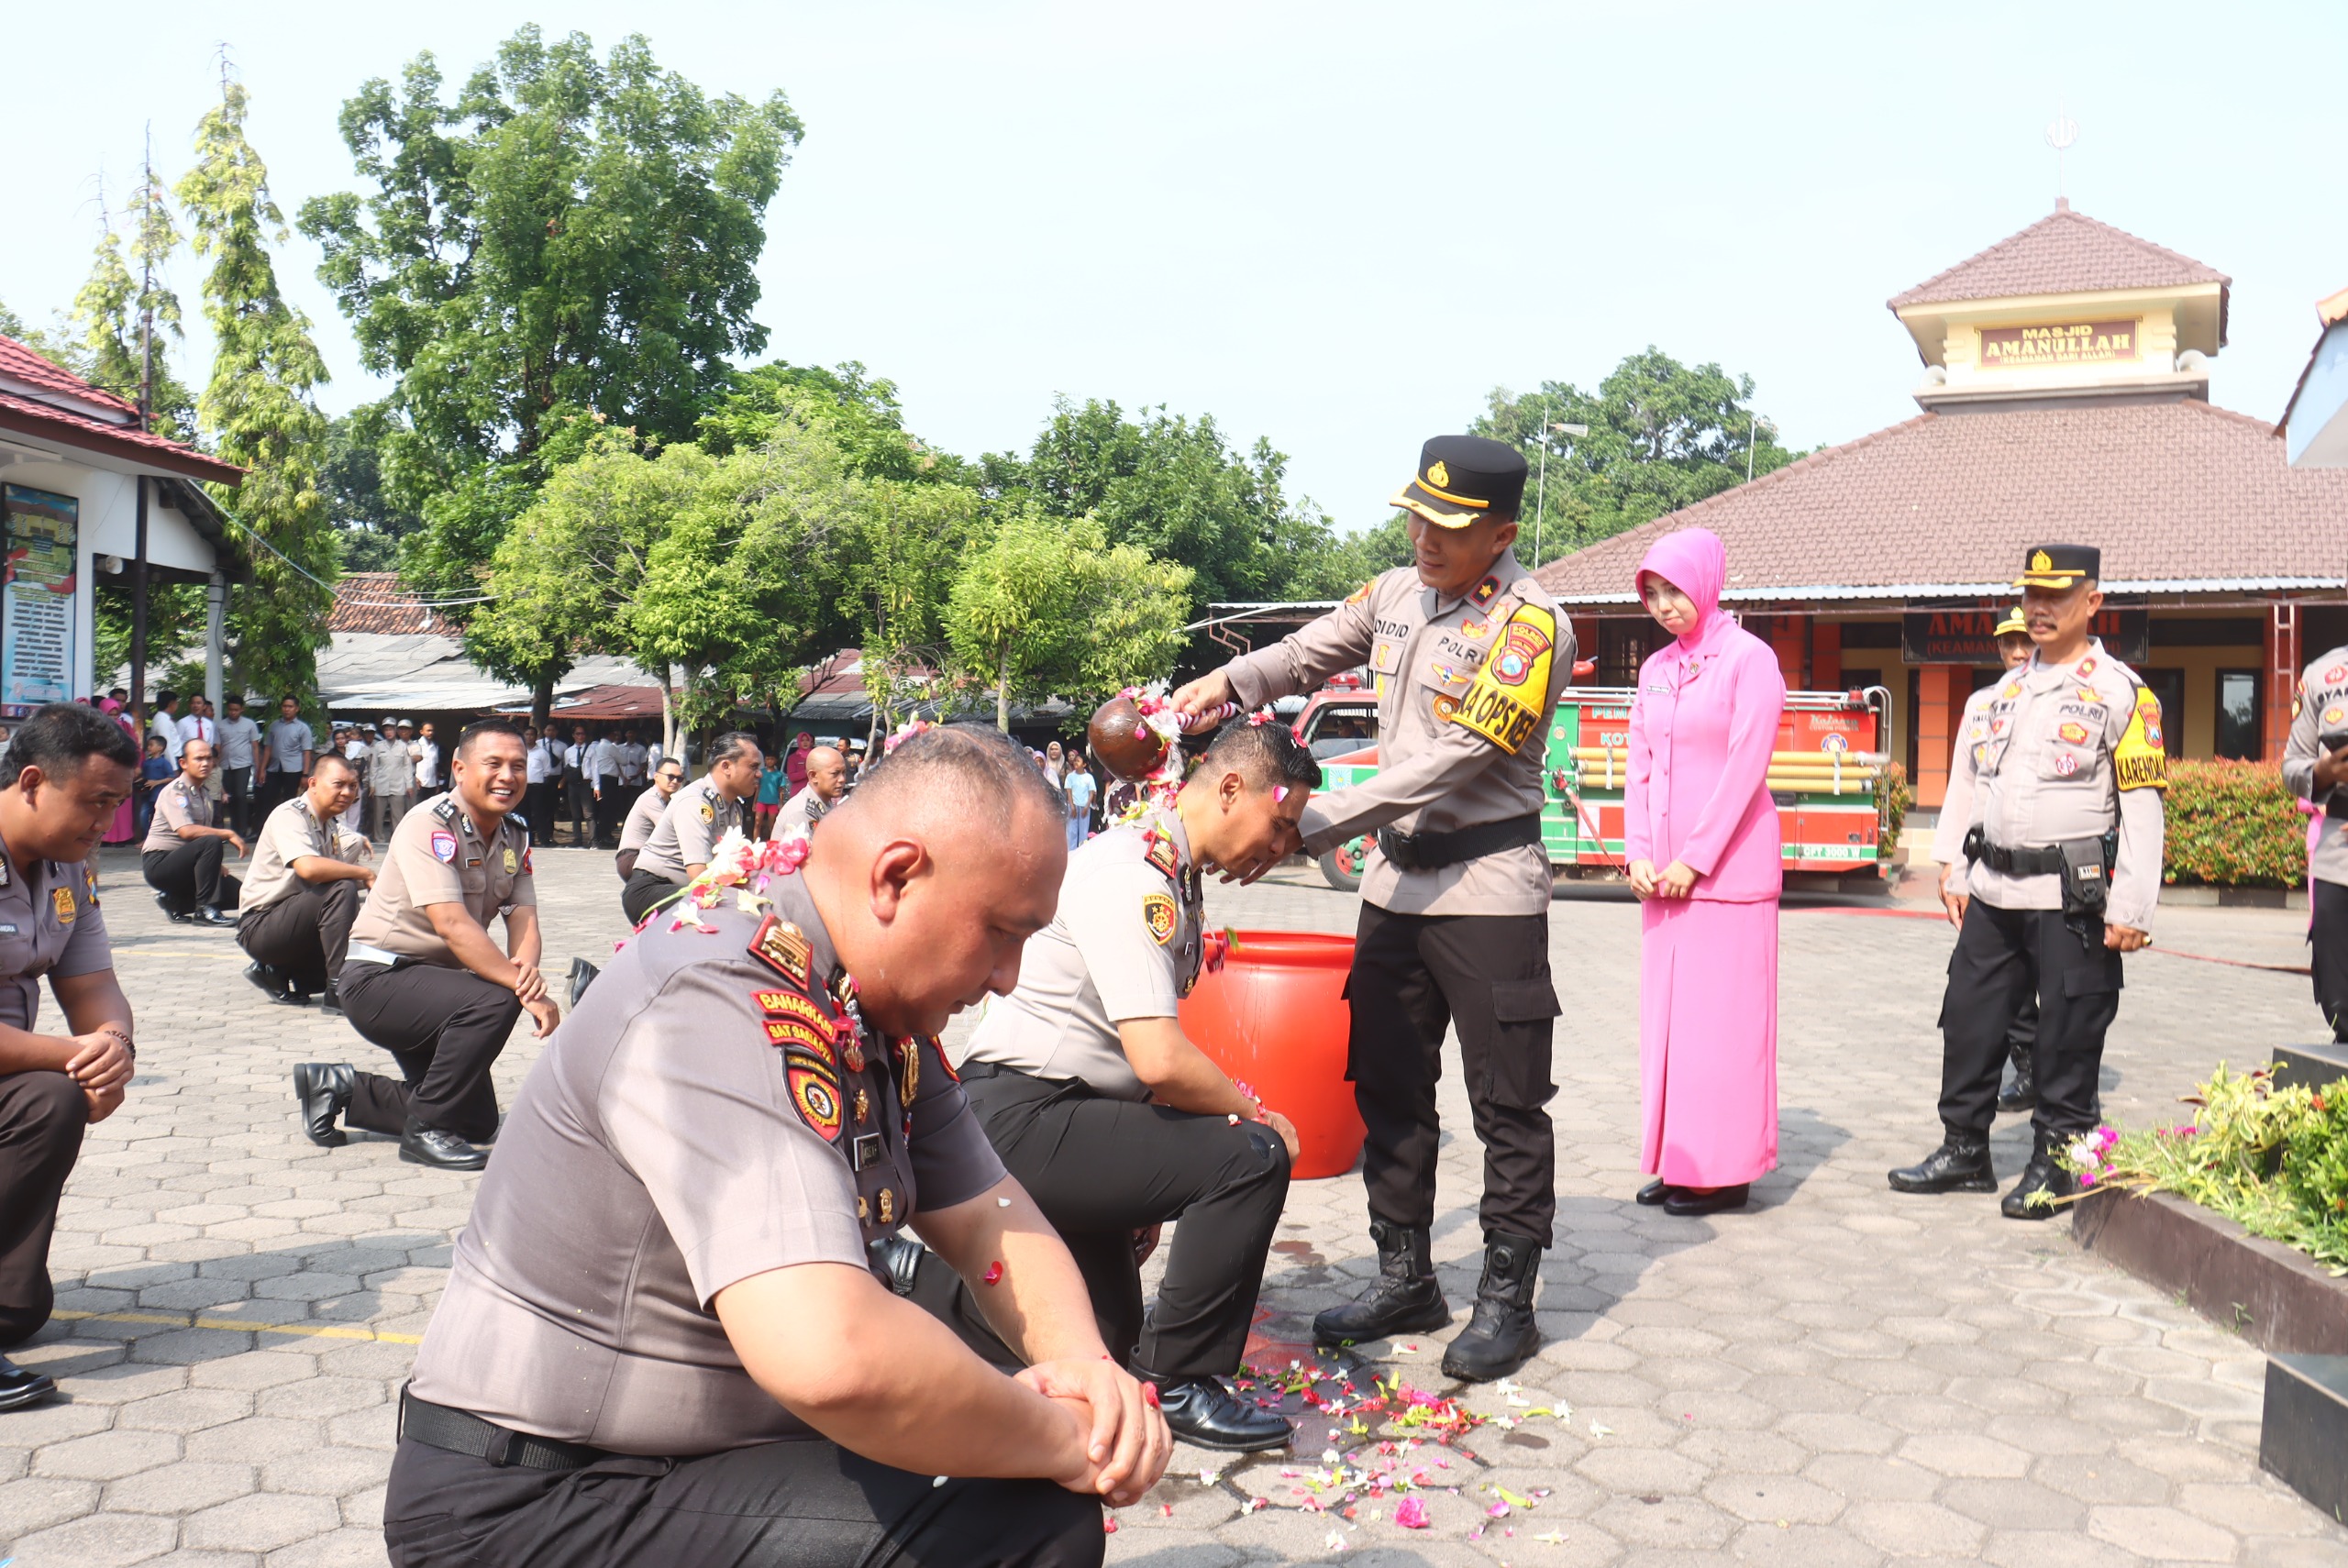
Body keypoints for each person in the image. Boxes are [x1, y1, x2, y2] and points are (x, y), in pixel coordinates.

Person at [380, 723, 1158, 1567]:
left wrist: (1084, 1372)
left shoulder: (860, 996)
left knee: (970, 1433)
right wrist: (1062, 1437)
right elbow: (833, 1357)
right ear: (895, 877)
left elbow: (988, 1218)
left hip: (681, 1461)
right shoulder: (721, 992)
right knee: (1024, 1519)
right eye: (1004, 932)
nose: (1008, 977)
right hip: (538, 1497)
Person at [1170, 434, 1574, 1381]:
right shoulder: (1392, 593)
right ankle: (1405, 1277)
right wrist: (1227, 682)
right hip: (1395, 888)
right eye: (1416, 515)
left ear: (1502, 533)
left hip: (1486, 895)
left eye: (1449, 526)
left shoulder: (1530, 627)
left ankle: (1508, 1299)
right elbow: (1307, 653)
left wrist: (1311, 818)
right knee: (1389, 1085)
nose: (1424, 536)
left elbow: (1456, 760)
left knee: (1507, 1101)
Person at [947, 721, 1314, 1451]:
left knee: (1104, 1338)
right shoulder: (1134, 873)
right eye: (1279, 827)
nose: (1280, 850)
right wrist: (1258, 1114)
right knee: (1253, 1154)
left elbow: (1125, 1056)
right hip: (1023, 1115)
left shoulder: (1169, 870)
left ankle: (915, 1283)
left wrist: (1137, 1188)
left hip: (1059, 1116)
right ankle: (1180, 1382)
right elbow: (1158, 1060)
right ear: (1231, 789)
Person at [1891, 545, 2166, 1218]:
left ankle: (2060, 1158)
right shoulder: (1997, 696)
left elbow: (2143, 807)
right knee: (1970, 1019)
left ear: (2093, 603)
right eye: (2031, 597)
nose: (2038, 610)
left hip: (2070, 898)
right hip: (1992, 891)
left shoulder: (2121, 693)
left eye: (2056, 597)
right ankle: (1965, 1149)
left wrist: (2133, 903)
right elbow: (1965, 787)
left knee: (2068, 1029)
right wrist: (1953, 865)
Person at [293, 720, 555, 1172]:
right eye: (492, 764)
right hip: (379, 980)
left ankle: (339, 1087)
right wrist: (520, 989)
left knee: (476, 1121)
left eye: (517, 766)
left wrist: (526, 977)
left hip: (438, 992)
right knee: (495, 1000)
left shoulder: (515, 834)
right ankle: (424, 1133)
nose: (507, 777)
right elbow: (452, 925)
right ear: (458, 768)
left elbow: (523, 919)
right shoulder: (428, 825)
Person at [1623, 528, 1788, 1219]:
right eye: (1654, 594)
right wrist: (1639, 852)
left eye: (1676, 591)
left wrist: (1697, 856)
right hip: (1662, 877)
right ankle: (1678, 1159)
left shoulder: (1750, 660)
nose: (1665, 606)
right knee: (1670, 1025)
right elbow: (1639, 765)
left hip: (1726, 874)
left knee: (1723, 1028)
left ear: (1708, 584)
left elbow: (1747, 768)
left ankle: (1726, 1172)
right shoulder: (1656, 668)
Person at [0, 703, 138, 1411]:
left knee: (20, 1316)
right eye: (94, 803)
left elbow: (94, 986)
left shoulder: (68, 873)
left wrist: (110, 1050)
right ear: (31, 782)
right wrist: (68, 1057)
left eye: (116, 805)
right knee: (51, 1092)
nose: (105, 823)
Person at [1939, 607, 2047, 1114]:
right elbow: (1964, 785)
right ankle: (2022, 1065)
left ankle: (2047, 1078)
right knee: (1983, 981)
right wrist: (1949, 865)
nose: (2019, 653)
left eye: (2027, 642)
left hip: (2047, 872)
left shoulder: (2063, 699)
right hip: (1985, 867)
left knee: (2046, 980)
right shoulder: (1982, 705)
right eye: (2009, 644)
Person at [239, 753, 376, 1015]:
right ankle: (338, 990)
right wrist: (364, 874)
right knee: (341, 890)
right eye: (338, 784)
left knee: (325, 977)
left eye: (353, 786)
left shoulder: (328, 825)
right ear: (312, 783)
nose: (347, 793)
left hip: (293, 922)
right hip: (261, 926)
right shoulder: (290, 815)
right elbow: (309, 868)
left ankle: (275, 971)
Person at [622, 733, 761, 925]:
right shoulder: (695, 801)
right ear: (726, 767)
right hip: (652, 889)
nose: (759, 774)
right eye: (753, 766)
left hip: (680, 888)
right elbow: (699, 876)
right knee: (723, 909)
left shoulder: (733, 807)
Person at [2282, 636, 2348, 1043]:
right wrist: (2323, 773)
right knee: (2339, 990)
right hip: (2337, 853)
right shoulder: (2321, 675)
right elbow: (2292, 766)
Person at [141, 738, 244, 926]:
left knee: (242, 894)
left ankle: (175, 902)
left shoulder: (204, 793)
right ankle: (205, 911)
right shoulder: (175, 791)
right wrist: (228, 834)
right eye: (198, 759)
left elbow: (199, 840)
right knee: (212, 840)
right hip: (161, 864)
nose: (205, 763)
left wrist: (214, 866)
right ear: (184, 763)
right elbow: (187, 832)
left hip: (186, 863)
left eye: (208, 758)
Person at [616, 756, 687, 879]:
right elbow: (673, 831)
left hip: (647, 856)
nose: (675, 781)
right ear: (656, 777)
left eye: (679, 778)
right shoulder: (650, 799)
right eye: (670, 777)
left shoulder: (667, 801)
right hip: (633, 858)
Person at [770, 745, 847, 841]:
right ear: (813, 776)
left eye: (844, 772)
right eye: (835, 774)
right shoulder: (801, 812)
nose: (842, 779)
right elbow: (807, 854)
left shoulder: (825, 801)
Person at [262, 695, 316, 817]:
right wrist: (262, 769)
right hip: (274, 768)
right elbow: (268, 749)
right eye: (285, 706)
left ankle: (290, 826)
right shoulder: (274, 726)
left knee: (291, 800)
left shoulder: (303, 728)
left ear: (296, 709)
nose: (287, 709)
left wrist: (305, 775)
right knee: (268, 799)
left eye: (290, 706)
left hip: (293, 769)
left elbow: (306, 752)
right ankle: (266, 827)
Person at [218, 695, 261, 834]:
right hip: (226, 765)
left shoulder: (249, 724)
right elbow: (217, 746)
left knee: (241, 796)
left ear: (242, 709)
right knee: (230, 798)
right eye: (231, 709)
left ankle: (243, 829)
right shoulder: (220, 725)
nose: (233, 712)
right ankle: (234, 828)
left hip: (243, 765)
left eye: (236, 710)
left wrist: (258, 767)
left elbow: (255, 746)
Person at [178, 695, 222, 801]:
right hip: (190, 763)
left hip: (205, 764)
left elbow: (211, 744)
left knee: (206, 792)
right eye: (193, 703)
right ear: (189, 705)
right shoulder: (182, 723)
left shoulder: (209, 724)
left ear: (204, 706)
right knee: (189, 792)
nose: (195, 706)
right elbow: (177, 745)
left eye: (199, 703)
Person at [521, 725, 560, 840]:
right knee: (524, 814)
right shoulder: (521, 751)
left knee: (539, 813)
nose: (529, 737)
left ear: (536, 736)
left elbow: (547, 771)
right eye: (527, 735)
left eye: (531, 735)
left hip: (537, 786)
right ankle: (528, 839)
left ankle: (544, 838)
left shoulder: (542, 753)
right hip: (523, 786)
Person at [133, 734, 173, 840]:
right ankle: (147, 838)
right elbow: (144, 776)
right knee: (143, 816)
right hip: (147, 794)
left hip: (159, 795)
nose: (149, 747)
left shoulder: (164, 762)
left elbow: (172, 777)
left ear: (160, 748)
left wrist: (156, 782)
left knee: (158, 818)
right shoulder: (146, 762)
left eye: (151, 745)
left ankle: (157, 839)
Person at [561, 725, 594, 846]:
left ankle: (592, 840)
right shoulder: (568, 751)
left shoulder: (591, 750)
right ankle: (577, 839)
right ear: (573, 735)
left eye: (583, 734)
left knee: (589, 814)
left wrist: (597, 787)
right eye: (578, 734)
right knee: (575, 814)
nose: (580, 736)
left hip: (585, 784)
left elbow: (594, 768)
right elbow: (567, 767)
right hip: (573, 784)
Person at [590, 727, 623, 847]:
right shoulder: (610, 746)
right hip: (610, 779)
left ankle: (601, 834)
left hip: (601, 778)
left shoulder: (597, 746)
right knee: (608, 809)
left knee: (603, 808)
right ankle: (605, 835)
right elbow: (623, 760)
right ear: (610, 735)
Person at [1062, 754, 1098, 852]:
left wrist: (1087, 807)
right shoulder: (1070, 776)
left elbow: (1091, 793)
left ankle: (1082, 853)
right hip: (1073, 806)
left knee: (1083, 831)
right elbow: (1069, 792)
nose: (1075, 762)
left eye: (1078, 761)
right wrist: (1072, 807)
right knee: (1071, 831)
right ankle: (1071, 853)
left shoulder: (1089, 777)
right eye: (1075, 760)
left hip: (1084, 807)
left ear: (1084, 764)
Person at [753, 750, 786, 838]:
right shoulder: (761, 773)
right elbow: (758, 788)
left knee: (772, 825)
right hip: (761, 801)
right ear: (764, 760)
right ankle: (755, 844)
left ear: (776, 761)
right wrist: (754, 803)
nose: (769, 761)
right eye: (767, 759)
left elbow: (781, 790)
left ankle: (772, 845)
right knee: (757, 823)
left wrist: (781, 803)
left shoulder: (779, 774)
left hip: (773, 802)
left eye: (772, 759)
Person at [413, 722, 442, 811]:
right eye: (428, 730)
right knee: (418, 809)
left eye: (432, 731)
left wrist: (437, 783)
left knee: (430, 809)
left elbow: (435, 765)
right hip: (419, 783)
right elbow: (408, 764)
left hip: (432, 784)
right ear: (421, 731)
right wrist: (414, 777)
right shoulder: (416, 744)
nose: (430, 733)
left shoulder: (435, 746)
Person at [148, 689, 183, 763]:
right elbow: (167, 745)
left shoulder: (165, 718)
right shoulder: (162, 720)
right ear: (171, 703)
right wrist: (173, 767)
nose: (177, 705)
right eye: (176, 702)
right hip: (170, 759)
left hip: (174, 757)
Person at [783, 730, 814, 798]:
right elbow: (791, 777)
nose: (805, 742)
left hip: (813, 792)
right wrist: (806, 772)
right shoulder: (793, 758)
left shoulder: (815, 756)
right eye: (802, 740)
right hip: (798, 792)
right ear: (799, 742)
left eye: (807, 740)